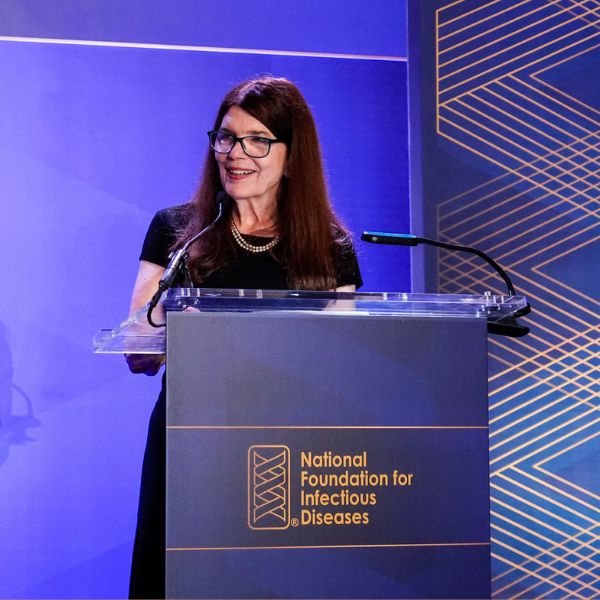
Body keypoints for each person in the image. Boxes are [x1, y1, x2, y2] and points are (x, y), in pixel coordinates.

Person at [125, 75, 362, 598]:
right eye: (226, 137)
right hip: (190, 443)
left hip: (287, 452)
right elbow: (137, 352)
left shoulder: (328, 248)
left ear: (292, 156)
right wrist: (173, 319)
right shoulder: (178, 231)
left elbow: (343, 372)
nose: (235, 153)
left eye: (257, 140)